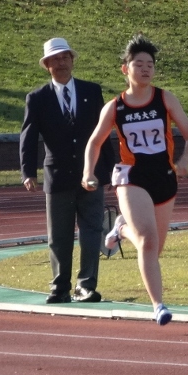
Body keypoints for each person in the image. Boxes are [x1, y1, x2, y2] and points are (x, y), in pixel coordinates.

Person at [82, 34, 188, 326]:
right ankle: (159, 306)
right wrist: (88, 172)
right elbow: (94, 142)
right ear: (125, 69)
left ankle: (121, 230)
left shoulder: (165, 99)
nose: (145, 69)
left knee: (154, 250)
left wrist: (184, 160)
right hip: (131, 176)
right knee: (147, 240)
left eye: (150, 65)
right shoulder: (115, 107)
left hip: (164, 177)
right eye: (139, 64)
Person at [20, 38, 114, 304]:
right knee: (59, 235)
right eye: (55, 59)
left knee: (92, 231)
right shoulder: (37, 98)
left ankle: (86, 285)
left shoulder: (91, 91)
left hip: (91, 174)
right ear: (47, 65)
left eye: (65, 57)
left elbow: (103, 133)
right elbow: (28, 136)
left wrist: (109, 171)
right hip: (57, 175)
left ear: (72, 60)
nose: (61, 63)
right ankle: (60, 286)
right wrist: (28, 172)